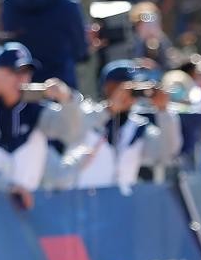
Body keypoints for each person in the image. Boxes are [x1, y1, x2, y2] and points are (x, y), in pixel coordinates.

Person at [59, 60, 181, 192]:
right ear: (107, 87)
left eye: (134, 88)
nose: (130, 93)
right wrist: (109, 109)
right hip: (81, 199)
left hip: (120, 202)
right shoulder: (87, 114)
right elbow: (74, 132)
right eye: (125, 87)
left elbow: (166, 153)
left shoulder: (138, 127)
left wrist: (163, 111)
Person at [0, 41, 81, 208]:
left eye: (26, 72)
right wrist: (7, 187)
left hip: (27, 210)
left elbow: (71, 132)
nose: (22, 79)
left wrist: (67, 99)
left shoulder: (37, 109)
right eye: (14, 71)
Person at [1, 0, 87, 89]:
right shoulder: (69, 5)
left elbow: (8, 40)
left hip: (21, 79)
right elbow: (80, 50)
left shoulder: (9, 4)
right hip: (61, 80)